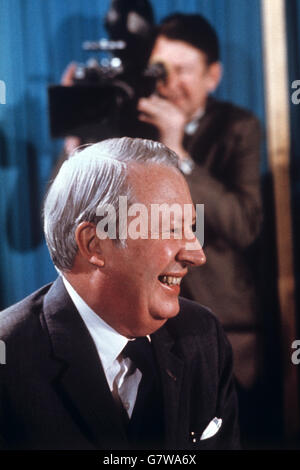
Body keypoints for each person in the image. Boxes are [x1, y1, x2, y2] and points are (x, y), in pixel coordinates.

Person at [0, 137, 240, 450]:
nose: (196, 254)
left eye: (192, 228)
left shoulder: (202, 335)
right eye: (169, 229)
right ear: (94, 243)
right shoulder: (9, 362)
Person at [137, 13, 263, 395]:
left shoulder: (238, 127)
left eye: (184, 70)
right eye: (161, 69)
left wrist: (177, 149)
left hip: (225, 323)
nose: (170, 84)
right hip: (148, 325)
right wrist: (79, 133)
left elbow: (244, 225)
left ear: (212, 76)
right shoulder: (135, 128)